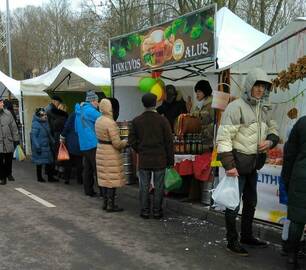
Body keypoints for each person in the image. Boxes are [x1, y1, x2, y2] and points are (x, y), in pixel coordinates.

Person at [216, 68, 279, 256]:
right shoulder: (236, 107)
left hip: (254, 164)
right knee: (233, 204)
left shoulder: (264, 107)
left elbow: (274, 128)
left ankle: (247, 236)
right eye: (257, 85)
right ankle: (232, 240)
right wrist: (229, 165)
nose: (260, 90)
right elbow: (224, 137)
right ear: (249, 86)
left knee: (251, 202)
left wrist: (270, 140)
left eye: (263, 86)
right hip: (238, 163)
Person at [129, 93, 174, 219]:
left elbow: (131, 140)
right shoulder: (163, 120)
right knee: (159, 186)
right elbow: (169, 142)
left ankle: (144, 211)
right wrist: (170, 160)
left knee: (144, 186)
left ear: (143, 104)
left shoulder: (137, 121)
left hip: (144, 158)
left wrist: (140, 149)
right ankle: (157, 211)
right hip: (160, 159)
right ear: (155, 103)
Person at [281, 116, 306, 269]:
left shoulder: (302, 122)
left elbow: (289, 153)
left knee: (297, 219)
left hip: (300, 175)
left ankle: (292, 256)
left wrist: (287, 178)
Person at [95, 98, 127, 212]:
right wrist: (126, 141)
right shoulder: (111, 122)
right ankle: (111, 205)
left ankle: (105, 203)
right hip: (110, 152)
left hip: (100, 150)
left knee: (104, 178)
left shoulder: (98, 120)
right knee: (111, 181)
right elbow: (117, 144)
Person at [75, 90, 101, 197]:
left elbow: (76, 129)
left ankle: (88, 190)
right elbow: (103, 120)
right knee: (97, 169)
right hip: (93, 143)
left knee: (88, 168)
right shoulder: (90, 111)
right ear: (92, 101)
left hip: (83, 144)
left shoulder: (78, 112)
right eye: (97, 101)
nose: (98, 104)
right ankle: (104, 192)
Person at [30, 108, 54, 182]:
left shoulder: (45, 122)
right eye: (43, 115)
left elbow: (48, 133)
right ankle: (39, 177)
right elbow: (33, 136)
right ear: (39, 116)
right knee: (39, 162)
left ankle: (50, 177)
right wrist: (37, 146)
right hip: (40, 146)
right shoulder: (35, 124)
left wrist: (53, 141)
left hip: (46, 145)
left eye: (45, 114)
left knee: (49, 161)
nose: (45, 116)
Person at [60, 111, 83, 185]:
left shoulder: (73, 114)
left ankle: (67, 178)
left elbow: (67, 126)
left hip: (71, 141)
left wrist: (62, 135)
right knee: (79, 161)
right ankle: (79, 179)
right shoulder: (85, 114)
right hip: (81, 141)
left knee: (68, 162)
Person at [0, 98, 19, 185]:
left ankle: (8, 173)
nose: (1, 104)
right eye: (0, 103)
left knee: (8, 159)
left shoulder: (8, 114)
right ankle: (2, 177)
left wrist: (16, 140)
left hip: (8, 140)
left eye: (1, 102)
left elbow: (14, 128)